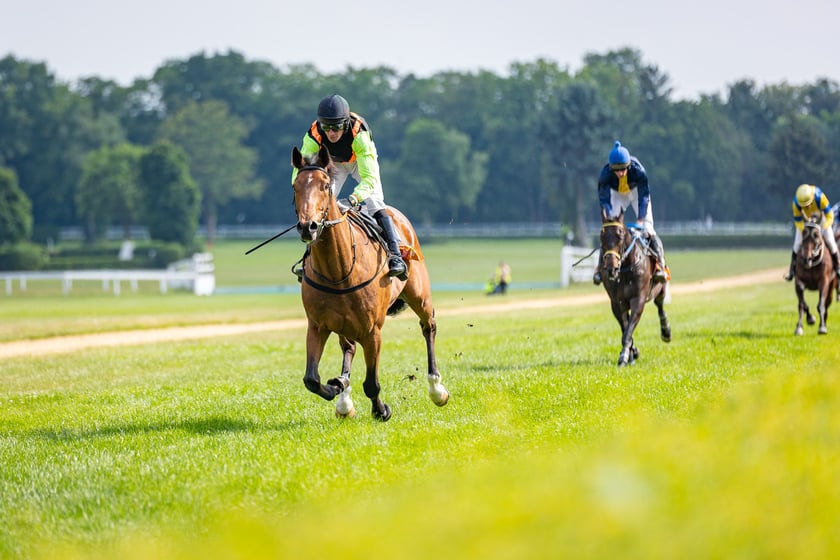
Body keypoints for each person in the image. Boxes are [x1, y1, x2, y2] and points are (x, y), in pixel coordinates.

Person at [292, 94, 407, 280]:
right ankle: (308, 258)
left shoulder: (359, 135)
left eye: (336, 127)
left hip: (359, 163)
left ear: (345, 124)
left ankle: (396, 256)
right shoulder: (313, 134)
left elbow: (369, 179)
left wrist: (353, 198)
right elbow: (302, 170)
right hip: (334, 165)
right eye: (326, 127)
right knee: (319, 207)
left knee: (375, 202)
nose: (331, 133)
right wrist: (302, 189)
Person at [593, 140, 668, 285]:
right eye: (617, 170)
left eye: (623, 169)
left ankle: (660, 265)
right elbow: (604, 199)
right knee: (610, 231)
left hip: (636, 194)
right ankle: (599, 268)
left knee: (649, 229)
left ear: (629, 166)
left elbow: (644, 197)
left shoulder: (638, 171)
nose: (620, 173)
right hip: (616, 195)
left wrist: (640, 219)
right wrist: (609, 216)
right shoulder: (605, 175)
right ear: (611, 168)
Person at [784, 183, 840, 281]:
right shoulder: (796, 202)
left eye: (807, 205)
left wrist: (825, 227)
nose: (805, 207)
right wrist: (804, 231)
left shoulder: (820, 197)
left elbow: (830, 215)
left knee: (831, 242)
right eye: (803, 206)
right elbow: (798, 220)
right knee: (797, 244)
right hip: (805, 222)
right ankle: (792, 270)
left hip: (821, 220)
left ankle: (838, 267)